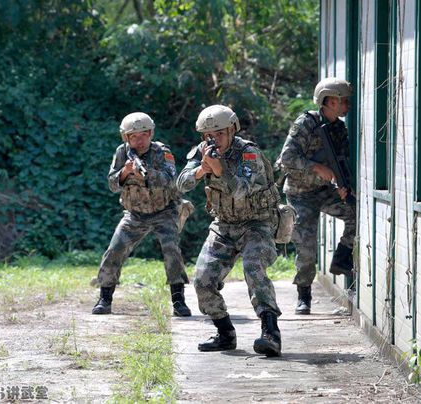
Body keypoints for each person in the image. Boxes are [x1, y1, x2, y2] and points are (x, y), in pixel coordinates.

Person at [176, 105, 283, 357]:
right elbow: (181, 183)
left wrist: (220, 170)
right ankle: (225, 334)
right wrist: (203, 168)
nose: (215, 140)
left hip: (256, 223)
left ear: (232, 130)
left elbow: (242, 191)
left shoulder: (248, 154)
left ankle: (271, 333)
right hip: (223, 225)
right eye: (209, 136)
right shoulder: (203, 153)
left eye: (220, 134)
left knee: (254, 268)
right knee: (202, 279)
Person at [92, 112, 192, 317]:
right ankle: (104, 298)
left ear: (150, 133)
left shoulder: (162, 151)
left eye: (143, 134)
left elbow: (171, 179)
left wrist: (147, 175)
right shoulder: (122, 152)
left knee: (172, 251)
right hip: (135, 214)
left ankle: (178, 299)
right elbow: (112, 184)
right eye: (133, 136)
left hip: (164, 211)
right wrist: (125, 172)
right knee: (114, 250)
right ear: (126, 137)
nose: (139, 140)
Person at [276, 77, 356, 315]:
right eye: (344, 100)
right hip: (300, 195)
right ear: (330, 101)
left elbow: (342, 162)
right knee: (307, 246)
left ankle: (342, 259)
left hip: (324, 191)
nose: (347, 105)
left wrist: (344, 186)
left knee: (356, 213)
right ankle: (304, 295)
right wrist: (316, 167)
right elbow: (286, 159)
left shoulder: (339, 129)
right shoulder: (305, 124)